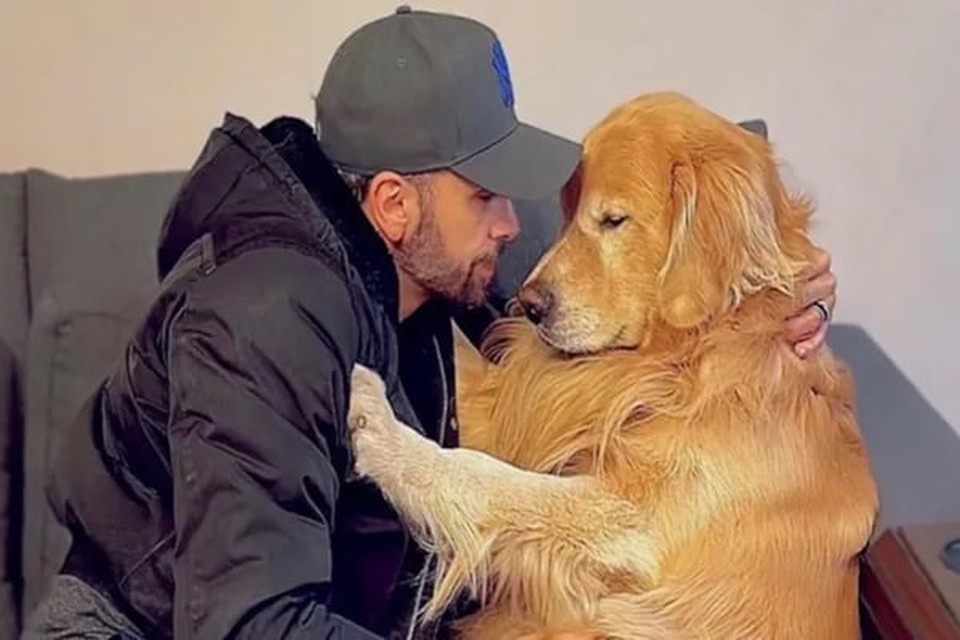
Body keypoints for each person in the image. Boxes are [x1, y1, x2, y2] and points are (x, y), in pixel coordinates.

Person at [24, 6, 837, 640]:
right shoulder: (255, 330)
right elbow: (251, 623)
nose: (513, 227)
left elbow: (671, 253)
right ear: (393, 202)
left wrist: (780, 299)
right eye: (485, 195)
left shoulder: (422, 259)